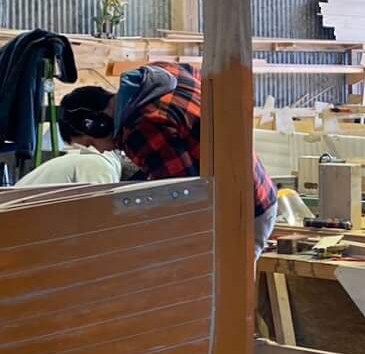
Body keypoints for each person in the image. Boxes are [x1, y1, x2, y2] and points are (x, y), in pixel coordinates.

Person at [59, 63, 278, 252]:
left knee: (223, 286)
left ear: (97, 125)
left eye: (90, 143)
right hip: (256, 190)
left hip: (241, 215)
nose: (99, 151)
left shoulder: (140, 129)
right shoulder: (161, 73)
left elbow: (183, 200)